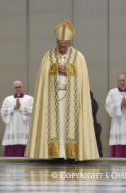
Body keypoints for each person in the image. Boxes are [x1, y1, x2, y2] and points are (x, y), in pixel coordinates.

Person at [24, 20, 99, 163]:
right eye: (60, 46)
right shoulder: (48, 56)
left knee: (71, 124)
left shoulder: (79, 57)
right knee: (55, 123)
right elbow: (42, 79)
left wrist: (70, 72)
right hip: (54, 98)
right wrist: (54, 71)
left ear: (70, 44)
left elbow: (83, 80)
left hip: (72, 100)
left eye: (65, 46)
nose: (62, 49)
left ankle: (71, 154)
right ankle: (55, 154)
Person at [0, 81, 33, 157]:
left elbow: (33, 110)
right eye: (16, 87)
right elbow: (3, 111)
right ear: (13, 88)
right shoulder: (8, 99)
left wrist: (21, 107)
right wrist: (14, 108)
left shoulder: (29, 99)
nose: (18, 89)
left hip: (24, 125)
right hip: (12, 125)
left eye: (19, 87)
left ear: (23, 87)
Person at [90, 91, 103, 157]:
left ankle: (98, 153)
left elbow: (93, 110)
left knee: (96, 140)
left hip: (93, 125)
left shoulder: (93, 102)